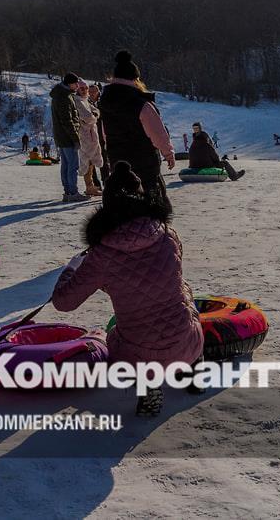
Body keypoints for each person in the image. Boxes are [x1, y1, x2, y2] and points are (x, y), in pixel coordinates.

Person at [52, 161, 203, 417]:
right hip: (187, 340)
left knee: (115, 334)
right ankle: (193, 367)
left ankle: (147, 383)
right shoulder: (168, 236)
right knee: (184, 295)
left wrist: (72, 268)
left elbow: (63, 302)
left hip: (137, 355)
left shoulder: (101, 255)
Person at [98, 53, 175, 211]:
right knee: (151, 202)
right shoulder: (141, 103)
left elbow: (105, 132)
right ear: (135, 78)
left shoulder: (106, 102)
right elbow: (157, 132)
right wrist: (168, 152)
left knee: (123, 201)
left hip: (118, 159)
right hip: (144, 159)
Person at [50, 73, 87, 202]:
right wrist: (75, 138)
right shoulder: (63, 97)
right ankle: (72, 192)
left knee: (66, 165)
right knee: (72, 165)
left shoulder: (63, 94)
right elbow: (67, 121)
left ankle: (68, 192)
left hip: (61, 136)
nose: (77, 86)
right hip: (67, 137)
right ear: (69, 83)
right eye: (75, 83)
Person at [72, 79, 105, 196]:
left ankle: (91, 186)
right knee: (86, 160)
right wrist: (94, 117)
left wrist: (94, 115)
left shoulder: (84, 100)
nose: (85, 90)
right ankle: (89, 186)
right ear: (78, 90)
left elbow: (96, 111)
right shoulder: (77, 101)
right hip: (85, 135)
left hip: (91, 134)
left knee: (91, 161)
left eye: (86, 88)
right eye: (82, 88)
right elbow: (87, 117)